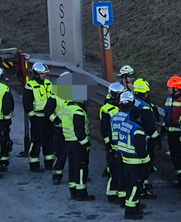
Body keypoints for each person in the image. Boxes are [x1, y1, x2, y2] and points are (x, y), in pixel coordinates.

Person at [50, 73, 94, 201]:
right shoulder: (77, 111)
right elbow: (80, 131)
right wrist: (86, 144)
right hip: (77, 143)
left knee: (73, 167)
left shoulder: (67, 109)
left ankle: (73, 191)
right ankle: (80, 193)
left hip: (68, 139)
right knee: (80, 168)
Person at [112, 91, 151, 219]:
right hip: (136, 163)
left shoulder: (125, 126)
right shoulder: (138, 130)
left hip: (126, 161)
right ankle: (130, 211)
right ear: (138, 116)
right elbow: (141, 150)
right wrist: (148, 161)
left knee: (129, 185)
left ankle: (134, 207)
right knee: (136, 186)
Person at [23, 62, 57, 172]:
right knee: (36, 141)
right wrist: (32, 117)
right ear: (37, 74)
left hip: (48, 117)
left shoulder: (48, 83)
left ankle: (49, 164)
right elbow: (27, 103)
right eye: (43, 73)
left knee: (49, 141)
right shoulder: (30, 85)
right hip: (37, 118)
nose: (45, 75)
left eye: (45, 73)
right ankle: (34, 165)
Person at [129, 79, 159, 199]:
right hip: (145, 139)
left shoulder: (132, 101)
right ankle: (143, 188)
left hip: (132, 137)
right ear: (145, 93)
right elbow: (150, 126)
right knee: (146, 165)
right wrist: (157, 138)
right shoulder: (145, 107)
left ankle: (139, 186)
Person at [99, 82, 125, 204]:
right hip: (112, 145)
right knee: (113, 170)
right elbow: (104, 130)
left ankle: (121, 194)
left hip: (122, 144)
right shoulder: (106, 110)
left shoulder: (120, 107)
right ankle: (111, 194)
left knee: (121, 171)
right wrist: (109, 146)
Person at [163, 76, 181, 188]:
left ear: (176, 89)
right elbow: (167, 115)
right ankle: (180, 180)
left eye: (170, 87)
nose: (168, 89)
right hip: (171, 133)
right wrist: (164, 128)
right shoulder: (169, 98)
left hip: (180, 134)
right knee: (175, 157)